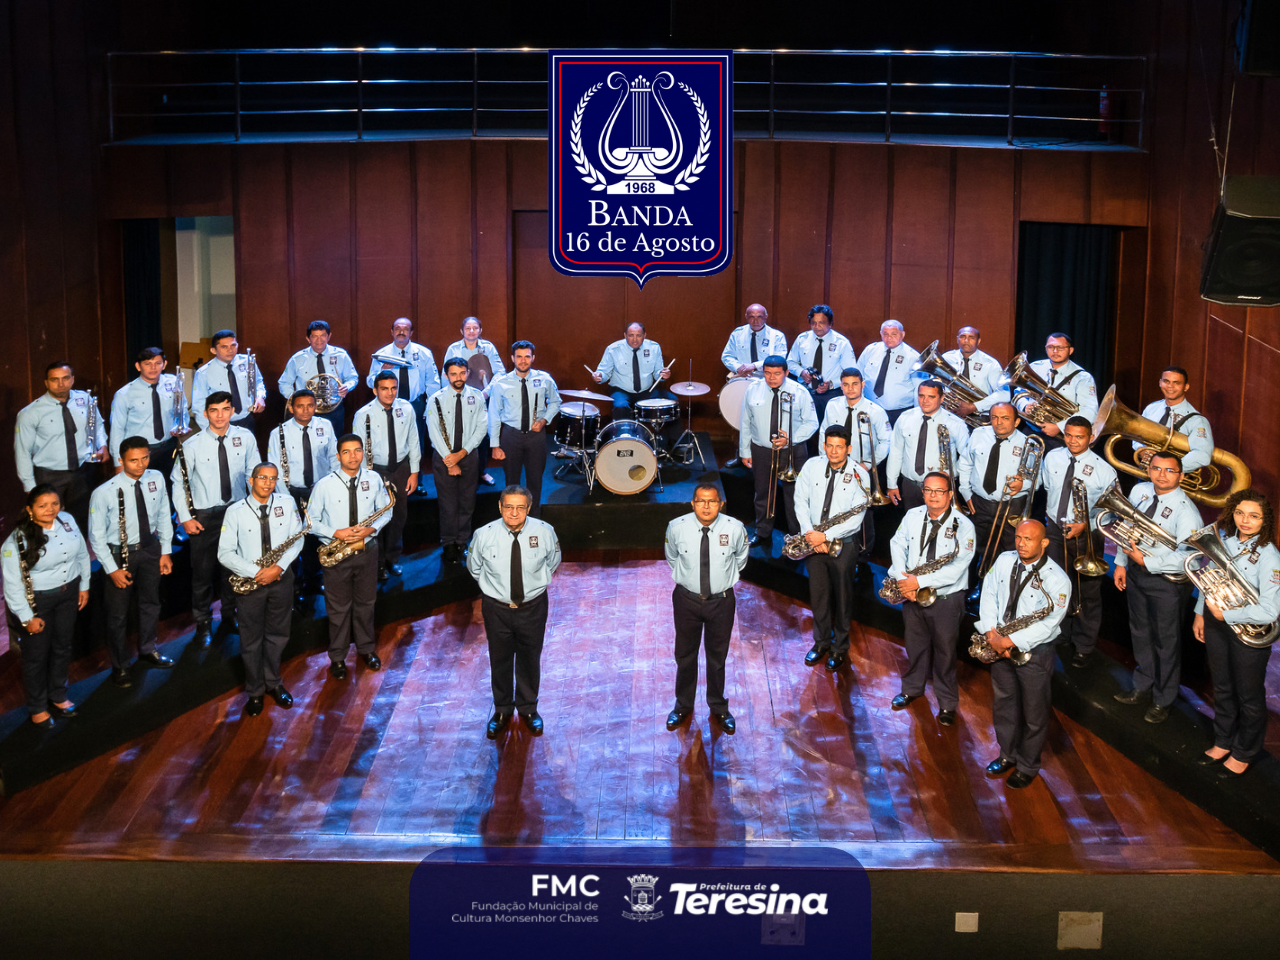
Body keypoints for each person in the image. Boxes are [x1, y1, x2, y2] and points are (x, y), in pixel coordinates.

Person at [975, 519, 1071, 789]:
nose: (1021, 543)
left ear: (1044, 543)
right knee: (1004, 705)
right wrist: (991, 633)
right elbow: (988, 594)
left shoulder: (1058, 580)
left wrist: (1009, 641)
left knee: (1034, 713)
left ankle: (1028, 765)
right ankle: (1007, 754)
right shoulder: (1004, 560)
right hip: (998, 644)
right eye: (1018, 537)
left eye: (1028, 539)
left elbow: (1049, 624)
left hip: (1033, 654)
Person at [1192, 490, 1280, 780]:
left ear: (1265, 521)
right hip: (1217, 625)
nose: (1245, 520)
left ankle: (1244, 753)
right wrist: (1200, 613)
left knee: (1248, 696)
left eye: (1254, 516)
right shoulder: (1224, 543)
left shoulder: (1270, 556)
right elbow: (1209, 583)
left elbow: (1269, 610)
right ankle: (1223, 741)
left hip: (1249, 633)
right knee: (1223, 686)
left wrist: (1226, 616)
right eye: (1240, 513)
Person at [467, 485, 562, 739]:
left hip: (533, 607)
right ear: (500, 507)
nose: (514, 512)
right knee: (499, 659)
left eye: (520, 507)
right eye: (508, 506)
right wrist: (496, 591)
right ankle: (502, 709)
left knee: (530, 658)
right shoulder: (483, 535)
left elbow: (553, 562)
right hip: (496, 609)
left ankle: (528, 709)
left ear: (528, 508)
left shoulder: (545, 532)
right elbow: (475, 568)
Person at [1112, 452, 1200, 724]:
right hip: (1136, 574)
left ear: (1181, 475)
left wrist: (1148, 561)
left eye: (1169, 470)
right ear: (1148, 470)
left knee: (1166, 642)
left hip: (1166, 584)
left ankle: (1164, 699)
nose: (1162, 475)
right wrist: (1121, 563)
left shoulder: (1187, 512)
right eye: (1156, 468)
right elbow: (1127, 528)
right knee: (1140, 632)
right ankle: (1142, 685)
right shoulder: (1139, 491)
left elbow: (1191, 559)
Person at [885, 472, 975, 725]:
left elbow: (959, 567)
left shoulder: (963, 525)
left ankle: (947, 703)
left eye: (939, 491)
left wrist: (919, 582)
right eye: (928, 490)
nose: (933, 495)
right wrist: (903, 579)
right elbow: (897, 544)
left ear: (950, 494)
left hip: (946, 598)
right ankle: (912, 689)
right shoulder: (912, 516)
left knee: (945, 653)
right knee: (914, 646)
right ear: (923, 492)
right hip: (911, 593)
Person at [217, 463, 305, 716]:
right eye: (262, 478)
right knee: (251, 640)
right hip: (251, 583)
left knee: (278, 634)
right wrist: (256, 572)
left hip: (281, 579)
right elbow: (224, 553)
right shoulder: (235, 511)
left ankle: (274, 682)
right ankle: (255, 691)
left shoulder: (287, 503)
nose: (268, 483)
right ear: (251, 480)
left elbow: (297, 538)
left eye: (272, 479)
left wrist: (278, 567)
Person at [88, 436, 175, 688]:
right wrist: (112, 569)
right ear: (121, 460)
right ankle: (121, 665)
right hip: (119, 555)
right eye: (134, 460)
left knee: (151, 603)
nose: (141, 464)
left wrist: (165, 551)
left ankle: (148, 649)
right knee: (117, 614)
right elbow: (96, 537)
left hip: (150, 550)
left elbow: (163, 515)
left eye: (145, 458)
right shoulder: (103, 493)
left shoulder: (156, 478)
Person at [663, 483, 749, 734]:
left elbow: (740, 559)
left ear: (720, 504)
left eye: (712, 501)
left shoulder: (735, 528)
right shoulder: (676, 527)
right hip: (686, 601)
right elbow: (672, 557)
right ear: (693, 503)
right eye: (701, 501)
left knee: (717, 658)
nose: (706, 506)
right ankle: (683, 706)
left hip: (721, 602)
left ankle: (718, 707)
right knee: (685, 655)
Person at [174, 392, 259, 645]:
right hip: (205, 516)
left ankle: (229, 615)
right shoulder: (192, 445)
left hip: (236, 511)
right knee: (202, 573)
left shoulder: (245, 437)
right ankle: (203, 622)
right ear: (205, 413)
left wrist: (255, 508)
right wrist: (186, 518)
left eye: (225, 409)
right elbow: (179, 483)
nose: (220, 415)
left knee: (232, 569)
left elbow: (254, 474)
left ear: (232, 411)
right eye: (214, 410)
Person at [2, 486, 91, 727]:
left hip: (69, 594)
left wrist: (84, 585)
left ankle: (58, 696)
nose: (50, 509)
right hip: (37, 602)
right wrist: (26, 617)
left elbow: (82, 554)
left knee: (62, 647)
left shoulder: (67, 520)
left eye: (54, 503)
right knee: (36, 656)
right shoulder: (15, 542)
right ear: (30, 509)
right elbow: (12, 586)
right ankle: (38, 707)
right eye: (42, 505)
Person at [309, 434, 392, 679]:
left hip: (367, 551)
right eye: (346, 452)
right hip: (337, 554)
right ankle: (338, 657)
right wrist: (336, 533)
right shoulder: (324, 485)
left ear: (363, 453)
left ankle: (366, 649)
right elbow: (310, 522)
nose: (353, 456)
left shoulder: (374, 479)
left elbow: (386, 511)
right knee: (338, 609)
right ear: (338, 456)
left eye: (357, 450)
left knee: (366, 604)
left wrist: (371, 529)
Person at [1042, 416, 1117, 667]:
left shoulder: (1105, 470)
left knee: (1088, 591)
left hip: (1087, 535)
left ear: (1091, 438)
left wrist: (1086, 523)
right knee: (1056, 584)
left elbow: (1111, 513)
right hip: (1055, 529)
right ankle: (1060, 634)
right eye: (1068, 435)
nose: (1073, 441)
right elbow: (1048, 489)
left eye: (1079, 437)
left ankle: (1084, 645)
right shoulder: (1052, 457)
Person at [794, 425, 870, 673]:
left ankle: (839, 648)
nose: (834, 451)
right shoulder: (811, 466)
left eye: (839, 446)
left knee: (843, 598)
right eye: (829, 445)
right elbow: (800, 501)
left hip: (843, 545)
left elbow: (856, 518)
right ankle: (821, 643)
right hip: (813, 543)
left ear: (849, 448)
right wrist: (810, 534)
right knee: (819, 596)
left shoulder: (860, 474)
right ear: (824, 445)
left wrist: (825, 536)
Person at [14, 361, 108, 533]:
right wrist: (30, 487)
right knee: (47, 523)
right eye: (54, 380)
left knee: (82, 520)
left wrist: (102, 444)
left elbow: (97, 425)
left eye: (65, 378)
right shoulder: (30, 413)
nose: (60, 384)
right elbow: (22, 452)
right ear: (46, 382)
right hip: (49, 475)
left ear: (72, 379)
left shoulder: (85, 399)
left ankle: (79, 548)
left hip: (82, 471)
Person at [738, 357, 818, 549]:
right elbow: (746, 421)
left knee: (795, 495)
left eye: (776, 373)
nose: (771, 378)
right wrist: (745, 450)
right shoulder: (753, 389)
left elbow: (812, 423)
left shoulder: (800, 392)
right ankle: (762, 531)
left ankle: (797, 535)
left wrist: (790, 439)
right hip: (762, 450)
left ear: (786, 373)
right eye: (767, 373)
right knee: (763, 492)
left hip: (793, 450)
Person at [268, 389, 336, 598]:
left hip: (319, 491)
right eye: (300, 406)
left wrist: (329, 487)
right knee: (294, 539)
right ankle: (294, 584)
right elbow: (275, 469)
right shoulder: (278, 433)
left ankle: (314, 581)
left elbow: (334, 458)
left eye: (310, 405)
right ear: (291, 408)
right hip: (292, 493)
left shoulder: (326, 426)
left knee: (316, 539)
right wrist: (286, 500)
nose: (305, 410)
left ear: (316, 406)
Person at [353, 371, 421, 581]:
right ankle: (378, 563)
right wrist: (363, 478)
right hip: (375, 471)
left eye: (393, 388)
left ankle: (392, 559)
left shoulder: (406, 409)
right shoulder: (363, 414)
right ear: (375, 390)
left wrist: (414, 472)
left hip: (400, 469)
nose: (390, 393)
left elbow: (413, 440)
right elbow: (358, 449)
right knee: (377, 519)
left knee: (398, 517)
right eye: (384, 389)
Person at [820, 367, 890, 554]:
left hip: (862, 470)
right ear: (841, 386)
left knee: (862, 514)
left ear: (863, 385)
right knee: (835, 508)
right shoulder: (832, 405)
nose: (850, 389)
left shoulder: (876, 411)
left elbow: (885, 442)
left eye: (855, 384)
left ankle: (863, 553)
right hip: (835, 466)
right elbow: (823, 433)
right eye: (846, 385)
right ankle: (837, 547)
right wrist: (825, 460)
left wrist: (867, 465)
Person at [959, 401, 1038, 566]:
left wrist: (1022, 485)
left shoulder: (1029, 444)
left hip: (1011, 506)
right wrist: (966, 493)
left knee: (1008, 552)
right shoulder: (978, 434)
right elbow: (965, 464)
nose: (998, 422)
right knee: (972, 548)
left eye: (1005, 418)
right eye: (994, 417)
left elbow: (1038, 479)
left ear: (1016, 422)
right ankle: (975, 582)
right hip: (979, 503)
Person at [488, 340, 561, 518]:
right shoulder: (501, 383)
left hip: (536, 436)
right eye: (519, 357)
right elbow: (494, 414)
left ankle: (534, 520)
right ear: (513, 358)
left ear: (533, 358)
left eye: (527, 356)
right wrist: (495, 445)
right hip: (510, 436)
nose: (523, 360)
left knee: (535, 481)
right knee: (511, 482)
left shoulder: (544, 379)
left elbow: (556, 402)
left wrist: (544, 420)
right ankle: (511, 519)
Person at [427, 358, 488, 562]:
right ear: (446, 375)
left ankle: (462, 541)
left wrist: (461, 454)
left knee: (467, 502)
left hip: (469, 456)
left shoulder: (477, 396)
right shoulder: (435, 399)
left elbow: (481, 428)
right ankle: (448, 543)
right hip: (444, 457)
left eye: (462, 373)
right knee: (448, 504)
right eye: (453, 374)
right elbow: (434, 432)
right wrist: (450, 460)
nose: (458, 378)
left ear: (468, 373)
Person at [886, 380, 969, 512]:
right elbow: (896, 452)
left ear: (942, 398)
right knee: (912, 523)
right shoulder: (905, 418)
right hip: (910, 486)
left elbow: (967, 457)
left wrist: (952, 474)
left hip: (940, 488)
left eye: (931, 397)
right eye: (921, 396)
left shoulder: (955, 424)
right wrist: (891, 484)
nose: (925, 401)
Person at [366, 317, 440, 463]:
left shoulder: (424, 353)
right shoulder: (382, 354)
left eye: (405, 329)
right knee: (391, 441)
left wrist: (430, 407)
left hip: (416, 404)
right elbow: (370, 382)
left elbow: (433, 383)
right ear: (392, 332)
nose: (401, 332)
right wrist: (382, 370)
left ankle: (417, 476)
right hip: (389, 404)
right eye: (398, 329)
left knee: (416, 441)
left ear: (411, 332)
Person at [443, 316, 505, 484]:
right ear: (462, 330)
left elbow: (500, 372)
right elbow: (445, 374)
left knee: (482, 435)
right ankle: (460, 469)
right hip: (458, 398)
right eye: (468, 328)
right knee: (460, 433)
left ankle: (481, 471)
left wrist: (487, 392)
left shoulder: (488, 348)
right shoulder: (453, 349)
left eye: (475, 328)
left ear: (480, 330)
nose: (471, 331)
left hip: (483, 397)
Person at [1012, 333, 1098, 450]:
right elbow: (1019, 392)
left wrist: (1060, 427)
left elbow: (1090, 411)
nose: (1055, 351)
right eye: (1051, 347)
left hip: (1060, 437)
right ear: (1045, 348)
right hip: (1030, 431)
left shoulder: (1083, 377)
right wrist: (1025, 406)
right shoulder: (1035, 367)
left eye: (1061, 348)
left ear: (1070, 350)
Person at [109, 347, 186, 474]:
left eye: (157, 363)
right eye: (147, 364)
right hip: (139, 452)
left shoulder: (173, 382)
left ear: (164, 364)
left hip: (169, 448)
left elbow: (182, 408)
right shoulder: (124, 394)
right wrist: (118, 463)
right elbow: (117, 430)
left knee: (170, 484)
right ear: (138, 366)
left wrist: (183, 424)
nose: (153, 368)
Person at [278, 320, 360, 434]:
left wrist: (347, 386)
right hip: (306, 411)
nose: (319, 340)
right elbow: (284, 383)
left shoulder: (341, 355)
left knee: (335, 442)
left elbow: (353, 378)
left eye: (323, 336)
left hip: (334, 409)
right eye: (315, 336)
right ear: (308, 338)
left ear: (329, 336)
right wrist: (296, 399)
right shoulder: (297, 359)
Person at [1134, 366, 1214, 475]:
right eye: (1166, 381)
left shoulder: (1197, 420)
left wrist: (1168, 469)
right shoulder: (1151, 408)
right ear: (1160, 383)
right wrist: (1141, 449)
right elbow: (1136, 434)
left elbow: (1202, 455)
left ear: (1186, 387)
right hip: (1145, 474)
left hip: (1174, 479)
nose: (1170, 386)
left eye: (1177, 383)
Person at [787, 304, 855, 429]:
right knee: (805, 430)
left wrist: (831, 384)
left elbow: (850, 372)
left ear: (831, 324)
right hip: (806, 392)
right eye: (813, 323)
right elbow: (790, 362)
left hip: (831, 395)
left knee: (829, 430)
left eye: (821, 323)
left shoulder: (842, 343)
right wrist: (801, 372)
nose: (817, 326)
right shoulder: (802, 339)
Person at [591, 321, 672, 417]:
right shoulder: (613, 349)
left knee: (672, 401)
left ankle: (671, 428)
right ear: (625, 335)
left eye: (639, 335)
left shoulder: (654, 347)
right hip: (621, 390)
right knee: (621, 406)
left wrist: (662, 375)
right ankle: (623, 427)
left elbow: (658, 372)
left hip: (647, 391)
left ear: (644, 335)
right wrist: (599, 376)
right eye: (631, 335)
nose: (635, 340)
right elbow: (603, 372)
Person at [190, 329, 266, 430]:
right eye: (224, 347)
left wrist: (260, 397)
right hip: (220, 423)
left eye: (233, 345)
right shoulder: (203, 373)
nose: (230, 350)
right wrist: (209, 430)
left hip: (246, 420)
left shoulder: (247, 362)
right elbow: (199, 406)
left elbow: (258, 382)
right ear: (213, 350)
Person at [857, 319, 924, 426]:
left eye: (894, 334)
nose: (889, 337)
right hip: (870, 410)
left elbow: (919, 388)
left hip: (900, 413)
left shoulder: (913, 357)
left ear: (902, 334)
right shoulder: (870, 350)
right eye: (885, 334)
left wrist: (917, 415)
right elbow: (858, 377)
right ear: (880, 334)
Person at [941, 326, 1007, 418]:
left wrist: (974, 407)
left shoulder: (990, 363)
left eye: (971, 337)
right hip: (949, 413)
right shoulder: (946, 358)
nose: (966, 340)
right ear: (957, 339)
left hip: (980, 415)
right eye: (962, 337)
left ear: (978, 341)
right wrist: (943, 393)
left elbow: (1004, 394)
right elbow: (934, 382)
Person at [721, 303, 788, 378]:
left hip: (768, 378)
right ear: (746, 317)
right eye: (751, 317)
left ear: (766, 317)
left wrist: (754, 366)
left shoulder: (777, 336)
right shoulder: (737, 334)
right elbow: (727, 356)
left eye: (759, 317)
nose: (755, 321)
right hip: (743, 377)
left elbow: (779, 359)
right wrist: (739, 368)